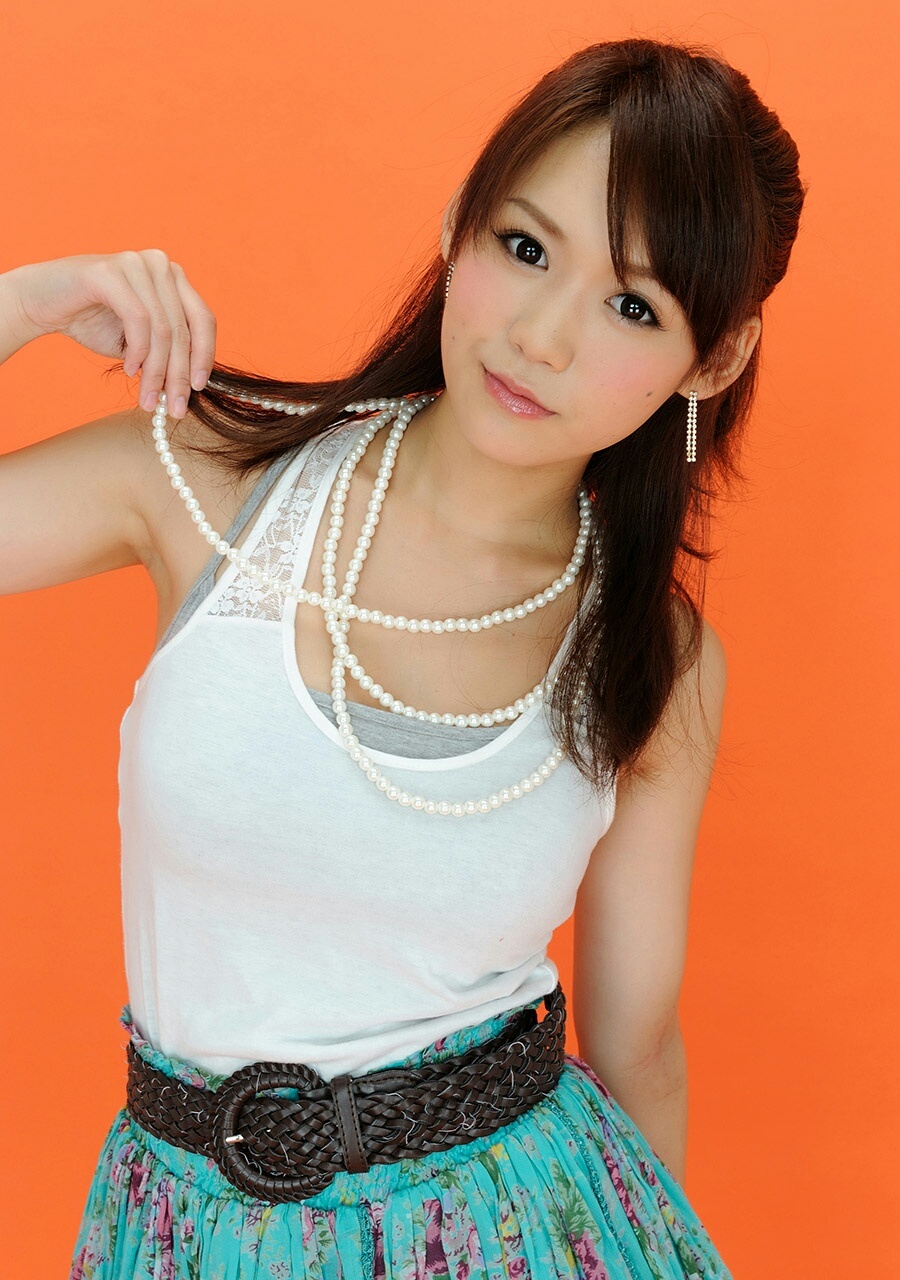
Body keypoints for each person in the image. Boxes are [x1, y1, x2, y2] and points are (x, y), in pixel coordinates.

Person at [0, 36, 804, 1280]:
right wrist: (25, 302)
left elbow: (637, 1042)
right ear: (458, 222)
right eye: (525, 248)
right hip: (184, 1228)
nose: (541, 336)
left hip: (516, 1228)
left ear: (716, 358)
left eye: (633, 306)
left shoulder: (654, 653)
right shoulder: (207, 478)